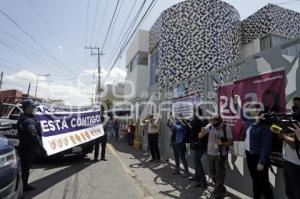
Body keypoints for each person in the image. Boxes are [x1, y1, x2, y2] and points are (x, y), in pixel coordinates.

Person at [243, 104, 273, 199]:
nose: (254, 111)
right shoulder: (250, 122)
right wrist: (237, 102)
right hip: (249, 155)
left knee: (263, 181)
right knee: (255, 179)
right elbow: (241, 114)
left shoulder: (265, 126)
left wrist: (262, 161)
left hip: (259, 157)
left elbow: (266, 145)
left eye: (256, 110)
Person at [199, 114, 233, 199]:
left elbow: (231, 142)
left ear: (220, 120)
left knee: (219, 174)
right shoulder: (210, 126)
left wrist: (222, 144)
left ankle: (218, 194)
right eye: (212, 120)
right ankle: (221, 188)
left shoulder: (226, 128)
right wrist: (202, 132)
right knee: (212, 174)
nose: (213, 122)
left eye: (215, 121)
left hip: (220, 154)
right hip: (210, 154)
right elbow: (200, 135)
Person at [17, 99, 46, 191]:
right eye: (32, 107)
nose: (34, 108)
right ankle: (22, 188)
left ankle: (23, 185)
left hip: (26, 147)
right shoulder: (28, 121)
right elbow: (34, 136)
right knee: (25, 169)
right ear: (27, 108)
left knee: (25, 168)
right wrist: (42, 148)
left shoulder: (28, 117)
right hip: (27, 149)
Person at [281, 97, 300, 199]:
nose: (294, 109)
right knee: (289, 193)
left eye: (297, 106)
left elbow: (294, 145)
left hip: (297, 166)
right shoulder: (292, 121)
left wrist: (283, 136)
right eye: (294, 106)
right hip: (288, 161)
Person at [189, 107, 208, 188]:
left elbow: (192, 133)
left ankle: (202, 180)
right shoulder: (205, 120)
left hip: (197, 145)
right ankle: (197, 177)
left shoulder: (194, 121)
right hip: (203, 145)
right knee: (197, 162)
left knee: (197, 163)